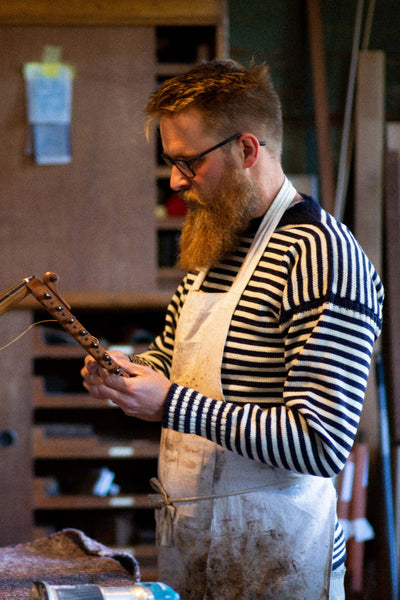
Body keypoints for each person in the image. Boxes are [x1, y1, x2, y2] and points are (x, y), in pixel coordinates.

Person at [81, 59, 384, 600]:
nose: (175, 182)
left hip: (278, 567)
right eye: (169, 163)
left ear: (247, 151)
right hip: (197, 554)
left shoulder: (323, 257)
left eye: (187, 163)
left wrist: (171, 403)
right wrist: (125, 375)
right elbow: (171, 358)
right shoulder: (214, 240)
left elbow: (321, 443)